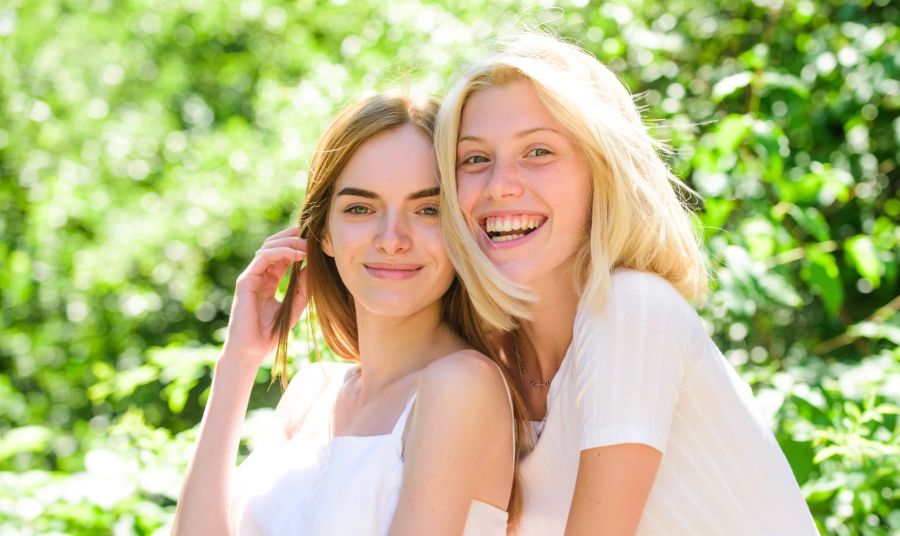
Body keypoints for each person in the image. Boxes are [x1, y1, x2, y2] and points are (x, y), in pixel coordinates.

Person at [434, 33, 819, 535]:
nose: (500, 183)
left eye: (538, 152)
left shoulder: (630, 309)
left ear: (603, 171)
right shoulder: (490, 366)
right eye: (474, 159)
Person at [173, 94, 525, 536]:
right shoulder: (311, 395)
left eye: (428, 209)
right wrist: (238, 362)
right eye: (361, 208)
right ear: (323, 232)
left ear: (461, 228)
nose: (392, 238)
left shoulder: (460, 385)